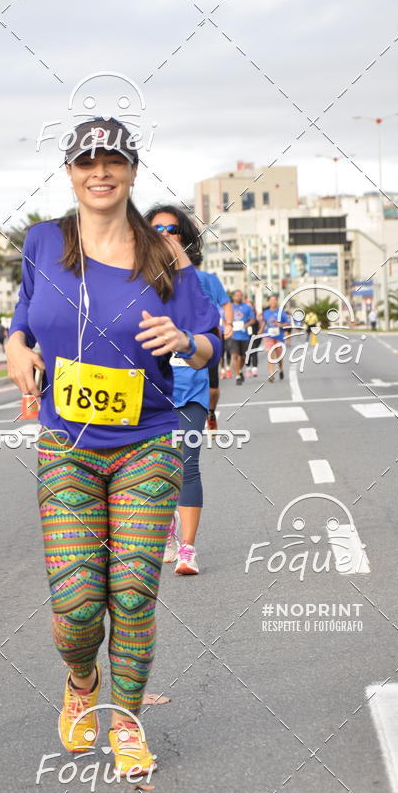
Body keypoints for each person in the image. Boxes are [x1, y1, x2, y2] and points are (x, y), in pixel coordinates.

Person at [6, 117, 220, 776]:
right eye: (86, 161)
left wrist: (186, 343)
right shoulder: (44, 242)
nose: (100, 171)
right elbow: (20, 321)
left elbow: (212, 340)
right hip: (67, 443)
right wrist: (16, 349)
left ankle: (127, 719)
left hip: (147, 441)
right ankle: (80, 683)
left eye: (113, 160)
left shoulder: (164, 254)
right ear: (69, 171)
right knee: (75, 607)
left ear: (131, 169)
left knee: (131, 592)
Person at [144, 204, 228, 574]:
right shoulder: (133, 281)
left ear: (185, 237)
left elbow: (213, 338)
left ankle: (188, 549)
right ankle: (167, 529)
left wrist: (213, 390)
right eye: (156, 228)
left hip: (191, 387)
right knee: (154, 469)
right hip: (146, 392)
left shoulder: (204, 282)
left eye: (172, 228)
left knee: (188, 465)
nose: (164, 233)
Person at [229, 289, 256, 385]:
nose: (238, 297)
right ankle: (237, 377)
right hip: (233, 336)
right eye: (236, 295)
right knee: (235, 356)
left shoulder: (247, 307)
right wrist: (228, 326)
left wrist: (246, 325)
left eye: (240, 295)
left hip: (244, 336)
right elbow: (224, 319)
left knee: (244, 357)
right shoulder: (230, 307)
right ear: (233, 297)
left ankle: (240, 370)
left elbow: (253, 319)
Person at [261, 294, 290, 381]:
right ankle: (271, 374)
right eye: (271, 300)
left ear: (276, 302)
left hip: (279, 336)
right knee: (270, 354)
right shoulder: (265, 312)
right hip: (269, 336)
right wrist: (260, 330)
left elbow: (288, 323)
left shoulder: (281, 312)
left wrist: (280, 325)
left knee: (279, 356)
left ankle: (280, 369)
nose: (273, 302)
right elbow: (264, 322)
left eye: (274, 300)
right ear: (269, 302)